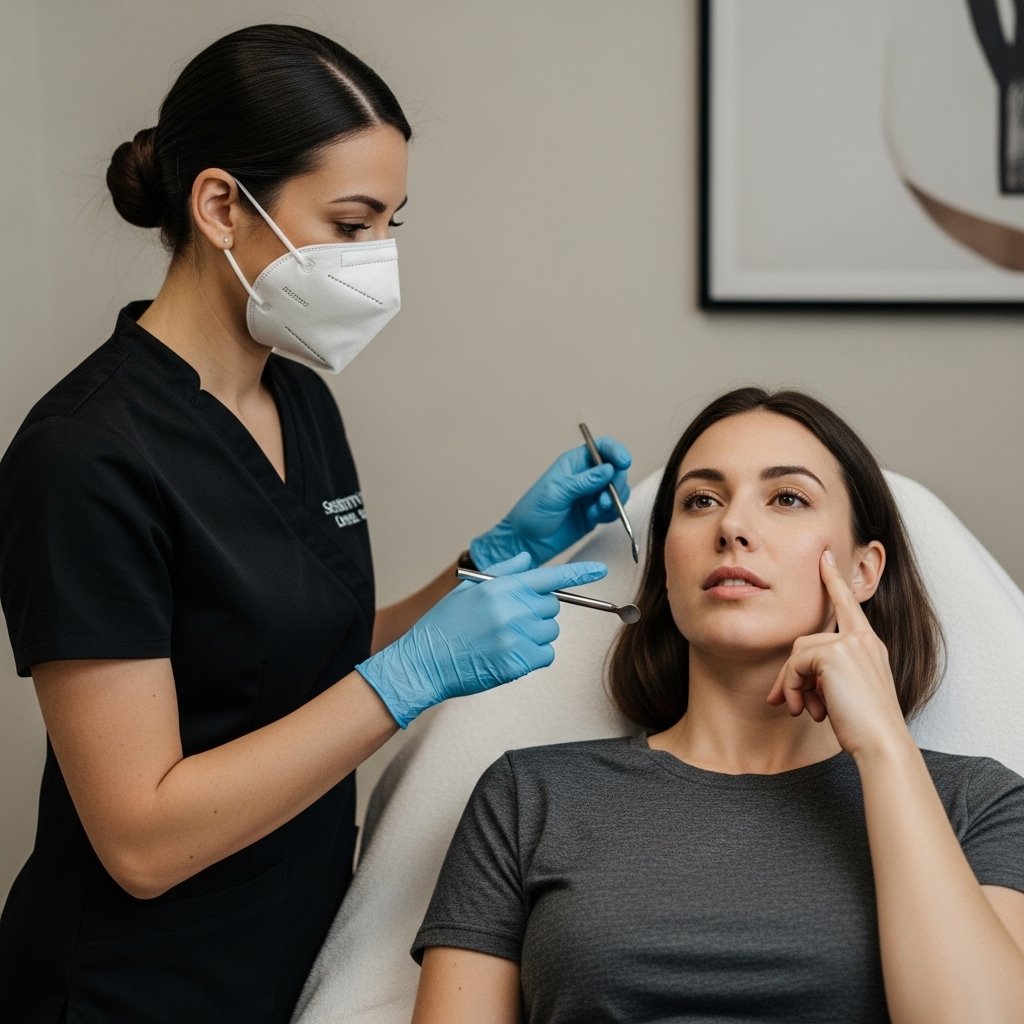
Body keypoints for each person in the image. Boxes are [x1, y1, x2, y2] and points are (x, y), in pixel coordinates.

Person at [0, 24, 633, 1024]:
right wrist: (415, 676)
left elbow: (298, 653)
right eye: (349, 223)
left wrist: (489, 561)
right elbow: (141, 839)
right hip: (132, 987)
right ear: (221, 206)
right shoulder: (85, 455)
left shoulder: (297, 400)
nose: (377, 258)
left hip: (287, 957)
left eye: (390, 223)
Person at [410, 387, 1024, 1024]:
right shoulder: (528, 796)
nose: (731, 527)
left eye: (787, 498)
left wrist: (884, 747)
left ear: (863, 570)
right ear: (667, 565)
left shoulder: (978, 805)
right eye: (701, 501)